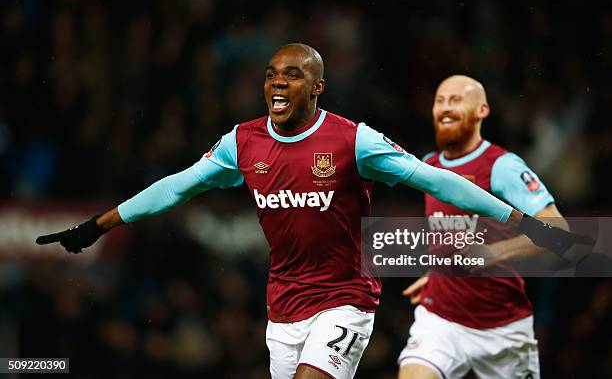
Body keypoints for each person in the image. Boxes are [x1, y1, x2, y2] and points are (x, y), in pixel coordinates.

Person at [37, 46, 591, 379]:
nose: (279, 80)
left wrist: (521, 224)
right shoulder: (241, 143)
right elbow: (177, 187)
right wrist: (98, 225)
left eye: (294, 74)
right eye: (273, 72)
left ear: (317, 88)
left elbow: (436, 179)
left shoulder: (354, 141)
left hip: (346, 300)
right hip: (284, 306)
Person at [397, 75, 570, 379]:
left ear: (482, 111)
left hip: (502, 329)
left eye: (456, 100)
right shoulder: (427, 165)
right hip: (440, 321)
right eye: (440, 101)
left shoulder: (502, 166)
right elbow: (449, 233)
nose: (445, 108)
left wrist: (492, 253)